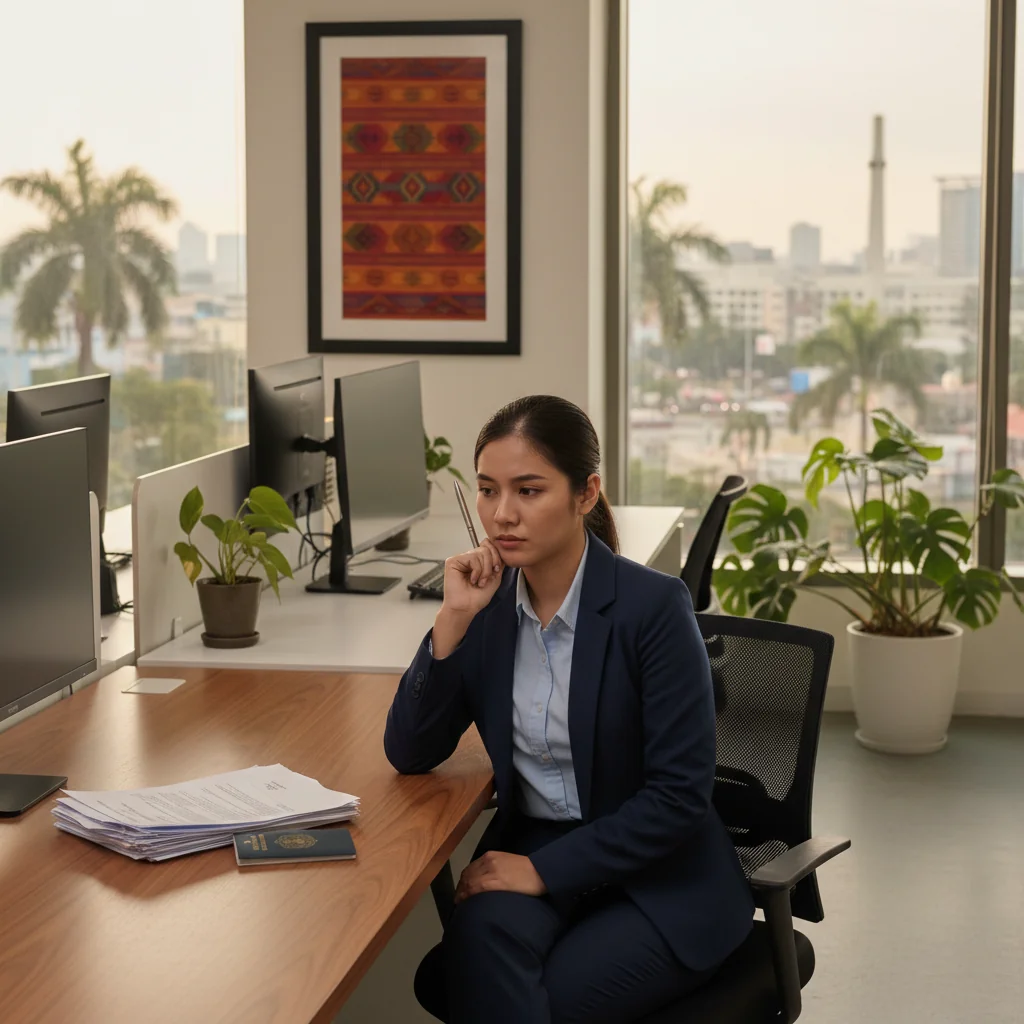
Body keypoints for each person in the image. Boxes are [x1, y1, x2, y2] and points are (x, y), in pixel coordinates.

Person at [384, 395, 753, 1023]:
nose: (503, 515)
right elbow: (411, 751)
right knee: (477, 959)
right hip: (534, 845)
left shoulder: (652, 608)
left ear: (586, 494)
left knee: (538, 999)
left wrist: (542, 870)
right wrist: (451, 620)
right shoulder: (488, 610)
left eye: (529, 490)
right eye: (488, 490)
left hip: (658, 873)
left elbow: (677, 798)